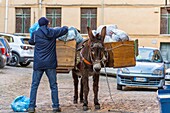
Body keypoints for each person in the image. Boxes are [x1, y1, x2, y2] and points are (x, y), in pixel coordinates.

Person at [27, 17, 68, 113]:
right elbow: (64, 30)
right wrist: (65, 27)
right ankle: (55, 106)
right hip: (50, 63)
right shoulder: (52, 32)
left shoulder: (35, 34)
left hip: (38, 64)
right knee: (53, 85)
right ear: (47, 24)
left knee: (34, 85)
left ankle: (31, 107)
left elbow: (31, 42)